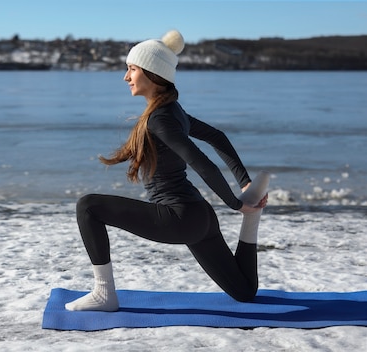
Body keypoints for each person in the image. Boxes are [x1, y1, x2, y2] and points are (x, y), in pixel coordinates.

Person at [65, 30, 270, 312]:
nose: (126, 77)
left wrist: (236, 204)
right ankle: (252, 224)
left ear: (152, 73)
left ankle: (104, 295)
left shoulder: (160, 119)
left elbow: (201, 162)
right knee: (244, 292)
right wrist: (244, 184)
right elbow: (217, 137)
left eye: (132, 69)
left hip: (178, 218)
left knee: (88, 206)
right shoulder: (173, 112)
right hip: (200, 217)